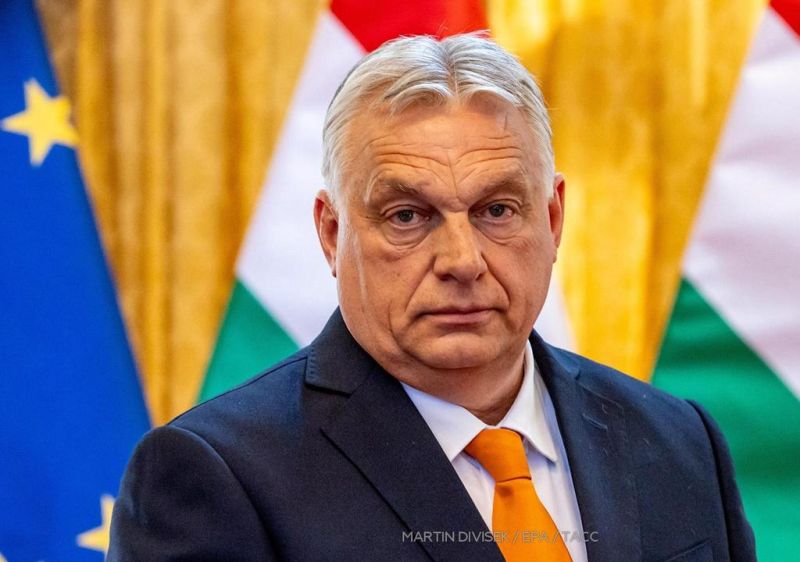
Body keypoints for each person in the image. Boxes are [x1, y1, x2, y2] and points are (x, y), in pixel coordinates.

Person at [108, 33, 755, 562]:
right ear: (332, 233)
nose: (462, 261)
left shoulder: (678, 440)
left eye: (497, 210)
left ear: (553, 219)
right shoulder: (217, 475)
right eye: (407, 216)